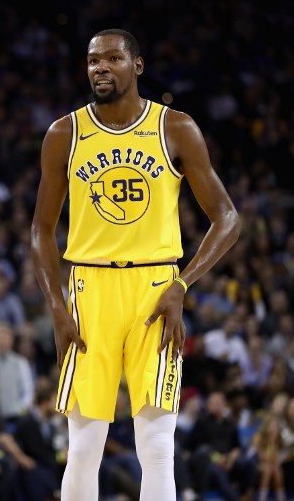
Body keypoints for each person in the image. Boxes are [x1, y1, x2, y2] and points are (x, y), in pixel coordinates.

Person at [30, 29, 240, 500]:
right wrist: (56, 308)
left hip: (156, 287)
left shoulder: (175, 127)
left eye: (112, 58)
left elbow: (227, 217)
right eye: (92, 61)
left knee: (157, 444)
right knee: (84, 445)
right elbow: (41, 229)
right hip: (90, 287)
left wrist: (182, 285)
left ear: (137, 66)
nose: (100, 68)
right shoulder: (64, 133)